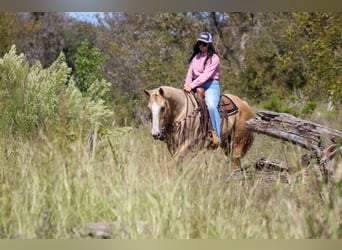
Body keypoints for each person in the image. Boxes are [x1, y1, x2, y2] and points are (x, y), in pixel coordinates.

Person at [183, 31, 221, 148]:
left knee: (211, 106)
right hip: (195, 85)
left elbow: (205, 76)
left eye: (204, 44)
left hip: (210, 85)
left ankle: (217, 136)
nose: (201, 46)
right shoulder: (195, 58)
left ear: (209, 45)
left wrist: (192, 85)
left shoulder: (214, 58)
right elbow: (190, 74)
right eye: (200, 43)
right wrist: (186, 85)